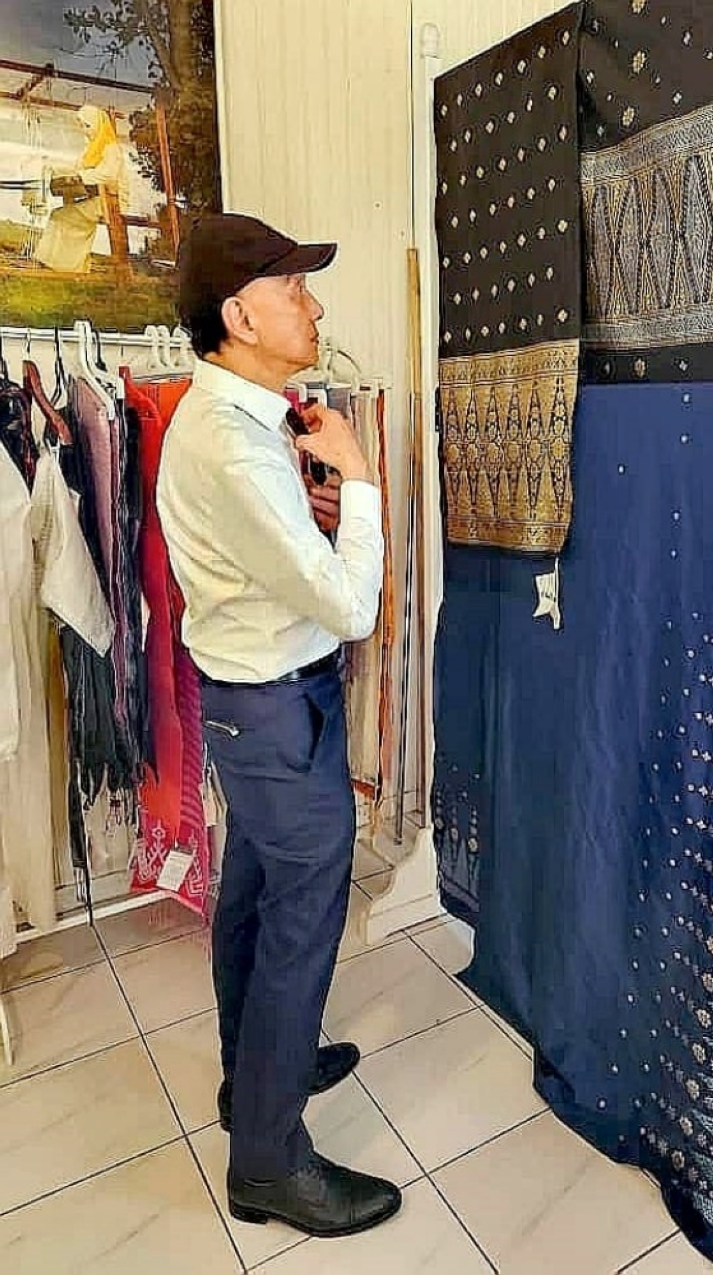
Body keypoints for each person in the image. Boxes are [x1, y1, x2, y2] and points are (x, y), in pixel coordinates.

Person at [157, 213, 400, 1238]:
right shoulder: (233, 444)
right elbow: (349, 610)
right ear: (238, 313)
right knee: (300, 919)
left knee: (255, 901)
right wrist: (363, 479)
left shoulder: (243, 424)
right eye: (294, 289)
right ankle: (267, 1160)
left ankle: (256, 1075)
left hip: (258, 707)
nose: (313, 306)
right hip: (272, 708)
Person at [36, 104, 128, 274]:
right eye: (83, 127)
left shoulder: (111, 148)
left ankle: (67, 265)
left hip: (112, 201)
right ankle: (54, 262)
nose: (85, 131)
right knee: (59, 214)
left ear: (98, 125)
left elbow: (108, 175)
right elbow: (77, 167)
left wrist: (82, 177)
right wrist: (54, 167)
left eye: (88, 126)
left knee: (63, 215)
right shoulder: (92, 149)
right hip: (98, 199)